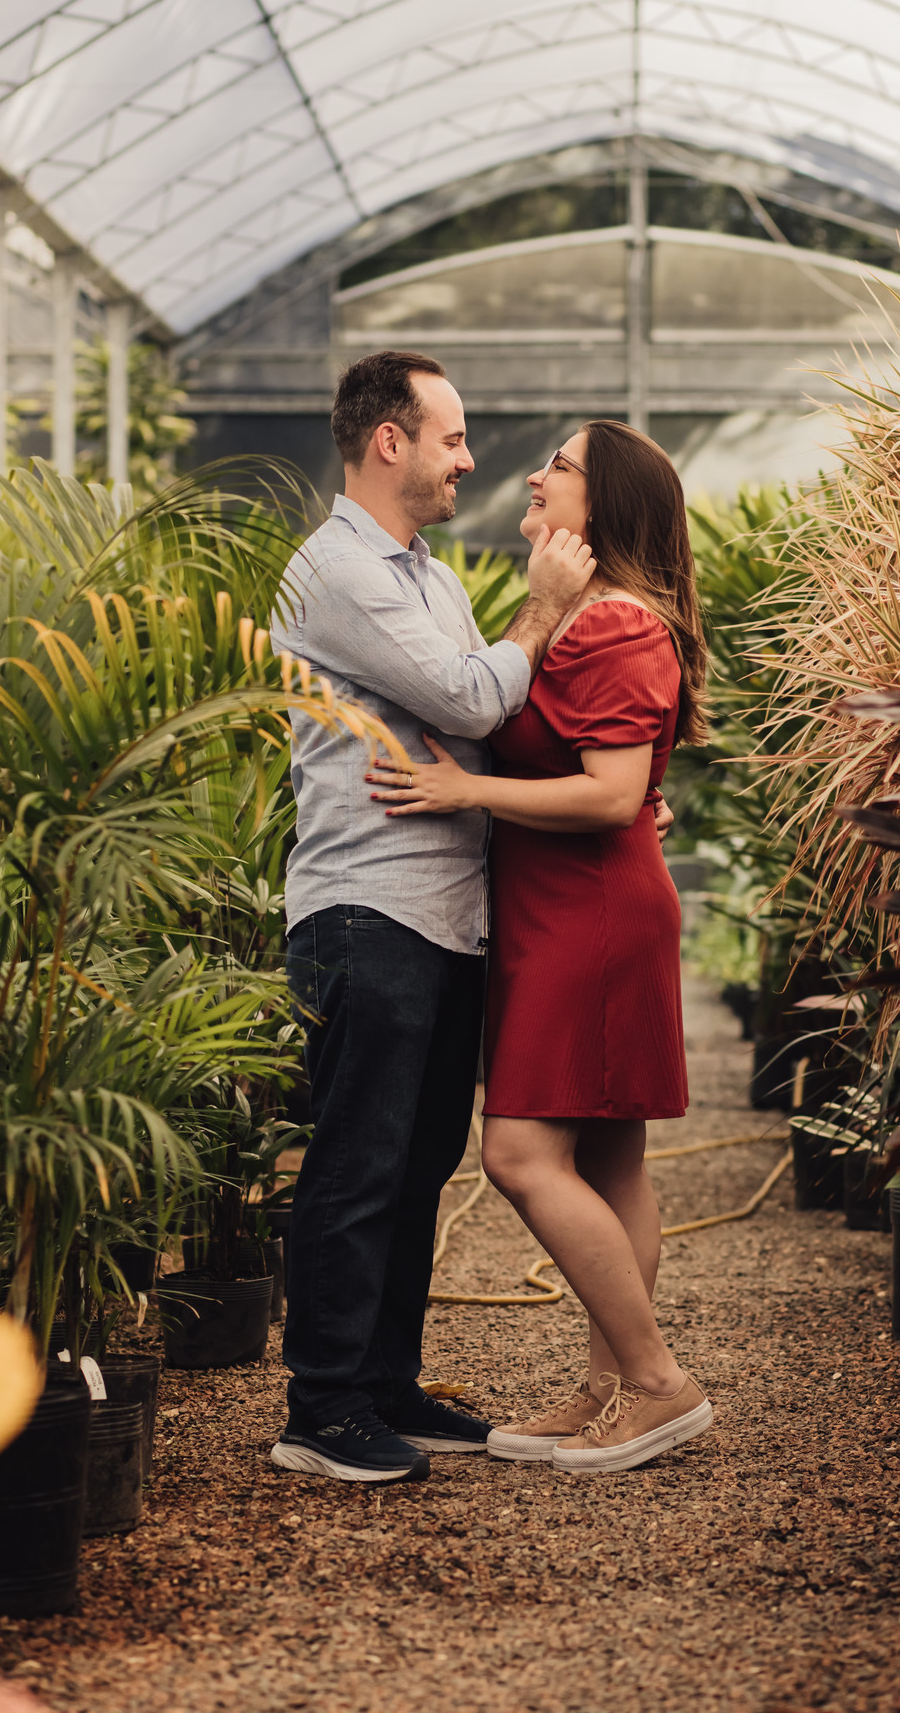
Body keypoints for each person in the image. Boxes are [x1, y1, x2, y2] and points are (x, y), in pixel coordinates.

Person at [269, 350, 598, 1485]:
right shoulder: (336, 573)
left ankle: (384, 1382)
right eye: (451, 438)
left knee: (418, 1164)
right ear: (388, 441)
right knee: (356, 1162)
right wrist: (549, 609)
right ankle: (319, 1408)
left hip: (443, 913)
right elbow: (466, 697)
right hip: (367, 905)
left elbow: (477, 704)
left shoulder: (432, 578)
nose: (469, 459)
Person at [369, 418, 712, 1474]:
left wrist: (464, 787)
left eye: (557, 466)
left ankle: (657, 1383)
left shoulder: (613, 625)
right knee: (608, 1158)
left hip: (589, 914)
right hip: (566, 906)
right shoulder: (583, 616)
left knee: (519, 1155)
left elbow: (612, 794)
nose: (532, 473)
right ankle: (610, 1385)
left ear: (600, 506)